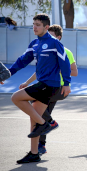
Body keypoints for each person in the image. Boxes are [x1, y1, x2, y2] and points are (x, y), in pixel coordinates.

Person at [0, 13, 71, 164]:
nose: (35, 27)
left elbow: (64, 63)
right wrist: (5, 75)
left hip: (49, 85)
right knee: (33, 119)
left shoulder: (54, 43)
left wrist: (66, 83)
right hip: (44, 84)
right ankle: (34, 153)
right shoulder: (34, 43)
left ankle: (46, 123)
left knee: (15, 97)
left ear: (46, 27)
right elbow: (22, 61)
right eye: (33, 24)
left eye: (38, 25)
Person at [18, 24, 78, 154]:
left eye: (51, 35)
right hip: (46, 86)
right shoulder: (44, 50)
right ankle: (41, 145)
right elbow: (40, 71)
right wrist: (27, 82)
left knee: (34, 106)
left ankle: (50, 124)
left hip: (59, 88)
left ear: (59, 37)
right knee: (38, 112)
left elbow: (74, 72)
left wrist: (58, 71)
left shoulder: (66, 51)